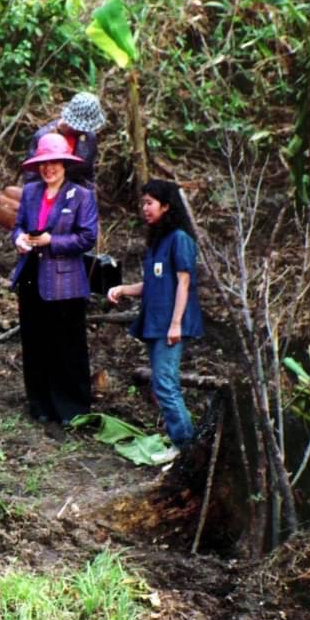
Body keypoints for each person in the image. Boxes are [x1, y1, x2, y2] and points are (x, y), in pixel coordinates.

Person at [108, 180, 204, 463]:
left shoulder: (179, 239)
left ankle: (186, 448)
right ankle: (183, 443)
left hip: (170, 324)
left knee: (165, 383)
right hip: (155, 321)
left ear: (166, 205)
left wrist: (175, 324)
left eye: (150, 203)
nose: (145, 208)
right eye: (143, 203)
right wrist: (124, 289)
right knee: (162, 383)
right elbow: (152, 283)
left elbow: (183, 284)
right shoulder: (157, 241)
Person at [10, 132, 98, 423]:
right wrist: (20, 239)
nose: (49, 169)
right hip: (32, 275)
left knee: (67, 344)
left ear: (64, 164)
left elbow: (87, 237)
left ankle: (72, 408)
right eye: (43, 164)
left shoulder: (81, 196)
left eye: (54, 163)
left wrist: (52, 241)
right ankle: (40, 404)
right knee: (35, 341)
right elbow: (18, 225)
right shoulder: (31, 192)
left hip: (65, 281)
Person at [23, 92, 106, 188]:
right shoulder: (43, 136)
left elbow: (88, 174)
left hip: (75, 192)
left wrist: (88, 197)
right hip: (47, 192)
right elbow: (31, 176)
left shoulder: (89, 138)